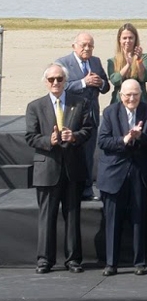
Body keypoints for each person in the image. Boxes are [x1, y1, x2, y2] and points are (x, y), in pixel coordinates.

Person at [26, 63, 94, 274]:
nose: (55, 83)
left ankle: (73, 259)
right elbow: (30, 137)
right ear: (45, 82)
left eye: (59, 79)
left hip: (72, 169)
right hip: (48, 169)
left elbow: (88, 130)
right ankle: (45, 259)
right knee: (47, 216)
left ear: (65, 81)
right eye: (51, 79)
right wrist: (50, 140)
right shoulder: (35, 106)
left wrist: (73, 137)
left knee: (73, 215)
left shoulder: (80, 102)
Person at [96, 79, 147, 276]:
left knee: (140, 218)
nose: (132, 98)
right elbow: (103, 141)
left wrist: (140, 137)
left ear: (141, 94)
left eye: (135, 95)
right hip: (114, 173)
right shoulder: (110, 112)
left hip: (139, 172)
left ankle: (140, 262)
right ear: (121, 95)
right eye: (128, 95)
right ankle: (111, 263)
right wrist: (125, 139)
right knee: (113, 220)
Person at [56, 31, 109, 200]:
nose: (87, 48)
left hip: (91, 115)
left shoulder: (96, 61)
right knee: (69, 152)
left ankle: (87, 189)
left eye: (90, 46)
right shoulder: (63, 63)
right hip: (71, 115)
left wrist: (100, 83)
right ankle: (69, 188)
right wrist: (82, 83)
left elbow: (106, 85)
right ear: (74, 46)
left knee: (88, 153)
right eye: (83, 45)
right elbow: (59, 87)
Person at [106, 23, 147, 104]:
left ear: (135, 39)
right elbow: (115, 81)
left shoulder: (144, 57)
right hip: (119, 101)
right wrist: (128, 65)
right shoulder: (112, 61)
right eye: (124, 38)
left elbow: (144, 78)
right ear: (119, 39)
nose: (127, 41)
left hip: (140, 101)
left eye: (130, 38)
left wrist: (138, 61)